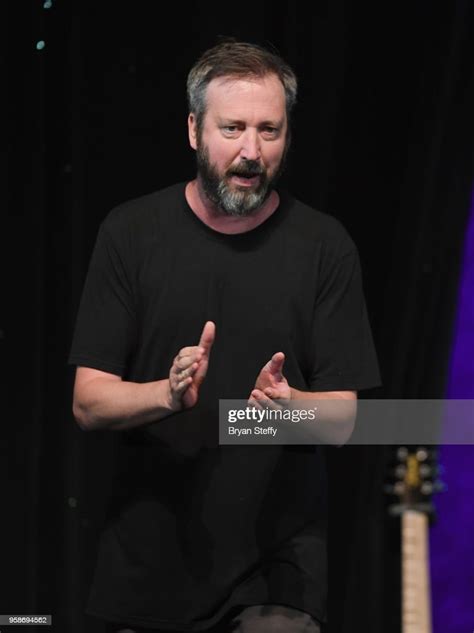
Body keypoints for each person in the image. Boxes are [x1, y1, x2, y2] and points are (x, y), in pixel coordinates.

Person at [69, 38, 381, 633]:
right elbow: (88, 401)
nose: (251, 151)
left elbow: (342, 419)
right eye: (233, 128)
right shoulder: (131, 234)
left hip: (278, 565)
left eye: (269, 130)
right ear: (193, 130)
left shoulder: (325, 247)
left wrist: (290, 409)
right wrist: (165, 392)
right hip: (152, 561)